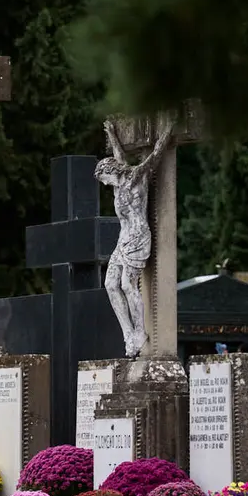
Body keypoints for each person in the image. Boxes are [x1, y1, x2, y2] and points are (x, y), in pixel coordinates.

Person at [95, 113, 175, 357]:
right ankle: (128, 334)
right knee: (110, 285)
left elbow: (155, 157)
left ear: (112, 171)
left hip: (139, 238)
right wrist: (111, 134)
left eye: (105, 178)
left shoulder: (136, 176)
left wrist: (168, 129)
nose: (106, 184)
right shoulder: (118, 185)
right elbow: (119, 156)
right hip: (123, 240)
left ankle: (140, 331)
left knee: (127, 284)